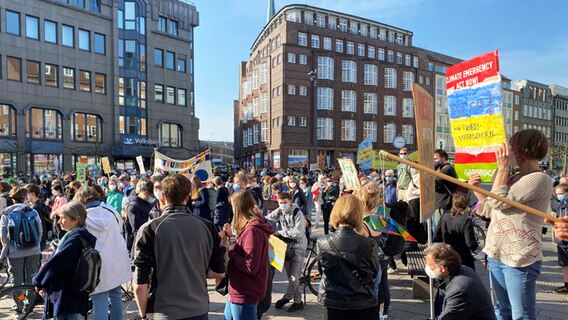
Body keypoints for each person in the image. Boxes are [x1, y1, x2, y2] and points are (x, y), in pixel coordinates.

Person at [470, 129, 552, 320]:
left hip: (519, 257)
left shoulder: (539, 179)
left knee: (520, 314)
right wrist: (478, 192)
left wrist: (503, 168)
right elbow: (491, 209)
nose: (508, 150)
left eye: (512, 146)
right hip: (498, 253)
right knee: (502, 310)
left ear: (523, 150)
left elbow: (500, 202)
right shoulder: (514, 179)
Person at [133, 174, 226, 319]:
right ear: (188, 198)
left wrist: (143, 314)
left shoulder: (149, 229)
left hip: (163, 311)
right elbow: (219, 272)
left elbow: (140, 282)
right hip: (198, 309)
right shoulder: (208, 227)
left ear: (162, 197)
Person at [317, 195, 379, 320]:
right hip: (362, 302)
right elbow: (375, 272)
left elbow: (322, 271)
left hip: (332, 302)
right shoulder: (368, 243)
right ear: (358, 214)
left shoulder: (322, 241)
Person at [32, 201, 96, 320]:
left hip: (64, 293)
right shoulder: (82, 237)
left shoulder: (74, 241)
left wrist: (39, 281)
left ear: (75, 219)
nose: (59, 221)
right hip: (74, 292)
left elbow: (56, 265)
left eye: (62, 218)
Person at [74, 187, 131, 320]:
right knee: (116, 294)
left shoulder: (82, 218)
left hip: (95, 262)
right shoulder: (111, 210)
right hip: (115, 258)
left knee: (99, 298)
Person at [222, 190, 273, 320]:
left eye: (233, 206)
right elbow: (245, 249)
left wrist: (231, 250)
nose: (232, 210)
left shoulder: (252, 231)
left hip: (245, 291)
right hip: (240, 289)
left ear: (239, 207)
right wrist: (232, 238)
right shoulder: (250, 227)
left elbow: (250, 266)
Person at [424, 243, 496, 319]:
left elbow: (447, 317)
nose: (427, 267)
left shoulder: (459, 290)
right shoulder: (461, 269)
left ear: (442, 268)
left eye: (429, 265)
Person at [267, 192, 307, 312]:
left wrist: (279, 232)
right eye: (280, 203)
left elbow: (298, 232)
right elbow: (266, 219)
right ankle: (298, 302)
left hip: (299, 246)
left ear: (290, 201)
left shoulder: (297, 213)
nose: (283, 205)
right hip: (286, 246)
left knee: (294, 277)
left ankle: (287, 297)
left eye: (285, 203)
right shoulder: (279, 211)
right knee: (291, 277)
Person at [0, 187, 43, 297]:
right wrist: (37, 245)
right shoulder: (33, 212)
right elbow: (40, 231)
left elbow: (3, 238)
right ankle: (29, 305)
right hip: (33, 251)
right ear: (25, 198)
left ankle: (19, 305)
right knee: (32, 279)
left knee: (17, 282)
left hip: (14, 253)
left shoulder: (6, 214)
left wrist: (4, 253)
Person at [355, 183, 388, 316]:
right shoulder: (378, 218)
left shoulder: (361, 223)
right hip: (376, 265)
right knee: (373, 297)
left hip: (364, 267)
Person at [433, 191, 478, 270]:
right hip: (463, 257)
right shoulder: (466, 220)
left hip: (448, 255)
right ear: (466, 204)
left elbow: (436, 236)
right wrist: (477, 246)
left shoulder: (444, 216)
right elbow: (470, 243)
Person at [125, 178, 155, 252]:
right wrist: (152, 220)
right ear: (145, 193)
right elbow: (136, 227)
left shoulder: (149, 203)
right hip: (141, 243)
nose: (153, 198)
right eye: (152, 196)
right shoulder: (133, 206)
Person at [434, 149, 457, 229]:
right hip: (440, 203)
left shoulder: (447, 169)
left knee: (440, 228)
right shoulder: (440, 169)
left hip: (443, 204)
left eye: (436, 159)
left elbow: (434, 183)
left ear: (443, 158)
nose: (434, 161)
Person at [25, 184, 51, 249]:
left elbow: (39, 226)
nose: (25, 196)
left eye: (26, 194)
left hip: (37, 240)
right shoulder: (36, 204)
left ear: (33, 194)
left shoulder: (36, 208)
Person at [553, 184, 568, 293]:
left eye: (561, 194)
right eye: (557, 194)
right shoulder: (560, 205)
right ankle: (566, 284)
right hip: (561, 239)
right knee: (564, 264)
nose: (559, 196)